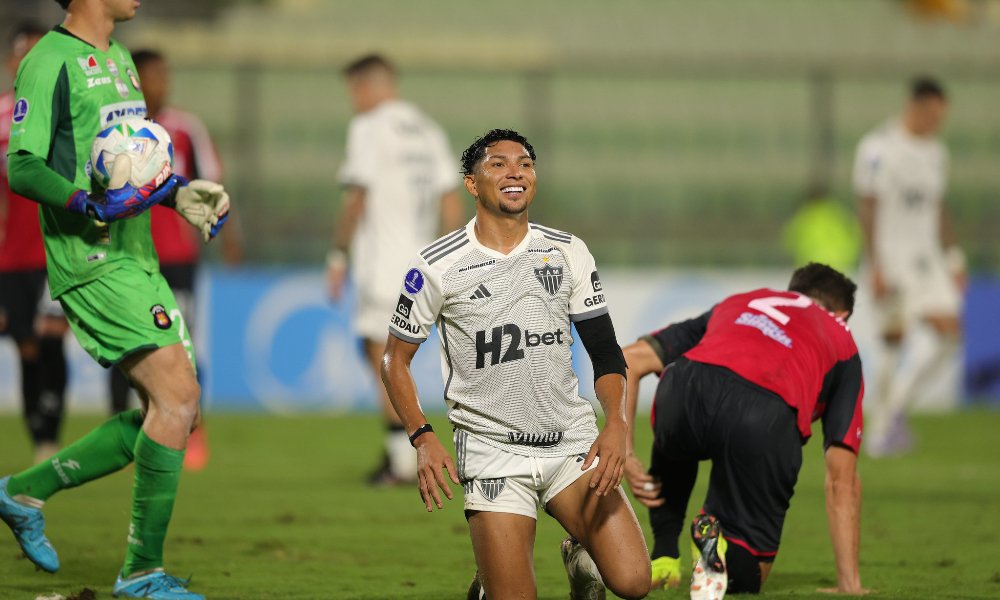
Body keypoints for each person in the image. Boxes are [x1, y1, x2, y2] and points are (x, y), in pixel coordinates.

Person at [0, 1, 230, 598]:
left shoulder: (122, 58)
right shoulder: (48, 61)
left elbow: (128, 162)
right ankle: (141, 572)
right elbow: (21, 165)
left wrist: (178, 194)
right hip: (92, 260)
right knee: (177, 400)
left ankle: (23, 491)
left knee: (178, 413)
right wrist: (85, 204)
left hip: (140, 256)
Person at [381, 129, 651, 600]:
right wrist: (422, 437)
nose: (515, 172)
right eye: (498, 164)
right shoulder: (436, 266)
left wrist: (617, 424)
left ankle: (578, 555)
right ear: (471, 183)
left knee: (633, 582)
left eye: (525, 164)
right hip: (492, 453)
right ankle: (490, 579)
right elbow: (393, 360)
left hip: (570, 444)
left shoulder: (568, 251)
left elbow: (606, 354)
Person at [622, 264, 866, 598]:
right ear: (843, 313)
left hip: (684, 385)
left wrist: (624, 451)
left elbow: (628, 360)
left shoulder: (743, 301)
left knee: (676, 433)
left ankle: (665, 554)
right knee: (752, 573)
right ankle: (716, 546)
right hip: (764, 413)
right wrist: (849, 585)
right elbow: (842, 480)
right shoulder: (842, 338)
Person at [327, 53, 464, 485]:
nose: (353, 100)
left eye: (354, 90)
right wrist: (454, 258)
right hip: (422, 267)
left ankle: (404, 459)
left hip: (383, 267)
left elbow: (356, 198)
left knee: (385, 361)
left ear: (367, 86)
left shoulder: (369, 127)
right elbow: (451, 200)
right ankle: (417, 454)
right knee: (397, 359)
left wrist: (337, 255)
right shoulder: (428, 129)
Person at [107, 48, 243, 472]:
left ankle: (191, 429)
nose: (161, 83)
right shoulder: (114, 133)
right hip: (126, 256)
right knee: (126, 346)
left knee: (183, 345)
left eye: (165, 75)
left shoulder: (186, 129)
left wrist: (228, 236)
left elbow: (211, 186)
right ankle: (124, 432)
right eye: (152, 75)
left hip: (176, 256)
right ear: (134, 80)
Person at [854, 76, 964, 457]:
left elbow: (939, 206)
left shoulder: (936, 152)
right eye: (933, 114)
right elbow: (867, 206)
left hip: (927, 258)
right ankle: (882, 430)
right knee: (892, 344)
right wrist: (876, 265)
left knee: (949, 334)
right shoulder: (878, 148)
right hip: (891, 256)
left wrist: (953, 256)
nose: (937, 122)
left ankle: (892, 412)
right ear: (915, 106)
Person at [1, 21, 70, 465]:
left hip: (55, 252)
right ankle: (38, 436)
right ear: (11, 62)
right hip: (10, 258)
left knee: (52, 338)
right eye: (22, 54)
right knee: (25, 344)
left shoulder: (64, 114)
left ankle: (51, 436)